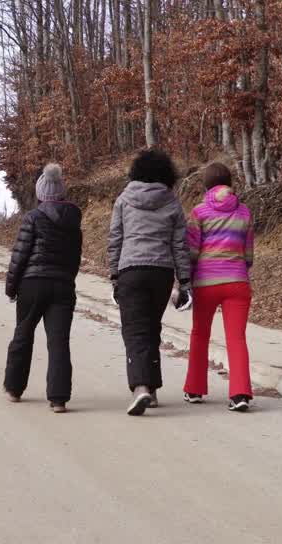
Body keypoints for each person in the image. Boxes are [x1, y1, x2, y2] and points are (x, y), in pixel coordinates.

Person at [107, 150, 191, 416]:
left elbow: (115, 239)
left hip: (131, 269)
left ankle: (141, 387)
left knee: (135, 331)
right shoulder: (172, 202)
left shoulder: (124, 199)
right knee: (151, 328)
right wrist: (184, 280)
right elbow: (180, 245)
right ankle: (152, 390)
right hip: (161, 273)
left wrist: (114, 274)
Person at [4, 163, 83, 413]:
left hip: (32, 283)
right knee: (59, 341)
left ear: (40, 193)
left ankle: (14, 389)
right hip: (62, 286)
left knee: (23, 334)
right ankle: (58, 398)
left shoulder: (33, 218)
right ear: (61, 192)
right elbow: (75, 257)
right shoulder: (73, 221)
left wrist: (11, 286)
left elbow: (20, 255)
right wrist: (67, 280)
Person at [182, 162, 255, 412]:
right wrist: (239, 270)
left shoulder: (199, 212)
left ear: (206, 185)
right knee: (236, 338)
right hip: (237, 283)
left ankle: (194, 389)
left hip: (206, 283)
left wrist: (186, 282)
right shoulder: (244, 211)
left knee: (200, 334)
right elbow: (248, 255)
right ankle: (240, 394)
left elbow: (191, 252)